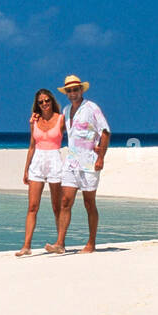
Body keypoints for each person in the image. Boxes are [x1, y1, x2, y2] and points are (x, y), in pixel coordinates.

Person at [46, 75, 110, 254]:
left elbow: (105, 132)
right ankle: (60, 243)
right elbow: (54, 127)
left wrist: (101, 157)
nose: (72, 93)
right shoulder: (66, 111)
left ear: (81, 90)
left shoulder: (92, 108)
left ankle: (91, 244)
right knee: (65, 201)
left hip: (89, 163)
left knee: (89, 203)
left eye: (75, 89)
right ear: (66, 93)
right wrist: (37, 118)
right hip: (71, 163)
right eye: (69, 90)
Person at [15, 88, 64, 256]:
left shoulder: (61, 119)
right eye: (41, 102)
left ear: (52, 101)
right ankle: (26, 246)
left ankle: (60, 243)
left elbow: (75, 135)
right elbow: (31, 146)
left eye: (47, 100)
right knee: (32, 206)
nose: (44, 104)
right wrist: (26, 169)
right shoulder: (34, 121)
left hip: (55, 161)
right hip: (37, 162)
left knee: (56, 207)